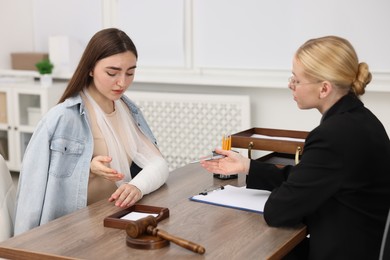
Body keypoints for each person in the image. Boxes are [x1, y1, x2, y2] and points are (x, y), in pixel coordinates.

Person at [201, 36, 390, 259]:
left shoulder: (333, 136)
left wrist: (287, 193)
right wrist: (249, 166)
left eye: (297, 80)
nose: (290, 85)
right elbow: (309, 178)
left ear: (324, 88)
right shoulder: (363, 120)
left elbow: (278, 211)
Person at [14, 28, 169, 235]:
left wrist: (137, 187)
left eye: (130, 72)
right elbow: (31, 191)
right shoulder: (62, 117)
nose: (122, 82)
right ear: (90, 69)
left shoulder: (126, 110)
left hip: (114, 217)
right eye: (112, 73)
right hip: (76, 227)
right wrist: (88, 168)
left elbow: (158, 163)